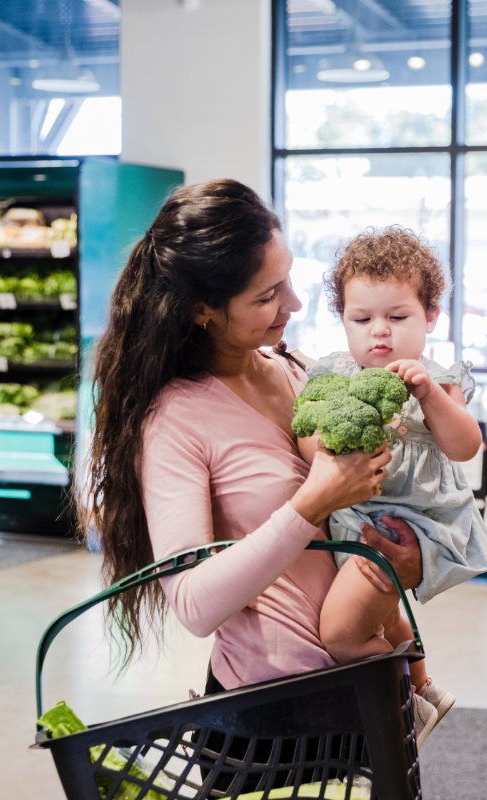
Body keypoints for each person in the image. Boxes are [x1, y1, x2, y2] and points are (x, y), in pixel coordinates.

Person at [82, 181, 425, 723]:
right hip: (271, 721)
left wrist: (404, 559)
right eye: (266, 296)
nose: (293, 303)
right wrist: (310, 502)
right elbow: (193, 604)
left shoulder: (297, 370)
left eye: (286, 280)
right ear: (202, 311)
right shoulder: (175, 419)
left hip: (366, 686)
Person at [298, 226, 487, 743]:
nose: (379, 332)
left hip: (414, 524)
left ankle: (403, 702)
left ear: (430, 315)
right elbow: (306, 444)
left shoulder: (438, 377)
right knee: (382, 623)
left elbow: (465, 445)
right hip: (355, 520)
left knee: (341, 635)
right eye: (362, 319)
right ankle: (423, 686)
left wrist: (430, 395)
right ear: (341, 318)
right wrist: (336, 444)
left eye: (398, 317)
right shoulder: (333, 376)